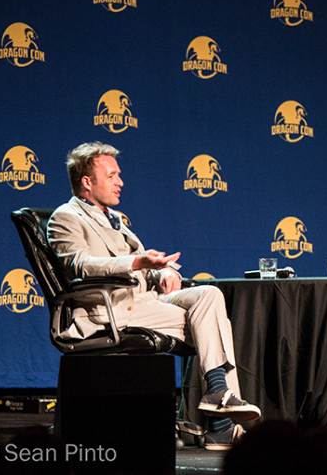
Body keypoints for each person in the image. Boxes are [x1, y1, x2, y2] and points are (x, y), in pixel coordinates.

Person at [47, 142, 259, 450]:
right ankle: (221, 422)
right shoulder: (65, 217)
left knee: (208, 296)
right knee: (211, 326)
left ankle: (218, 398)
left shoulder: (114, 218)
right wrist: (139, 262)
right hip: (111, 309)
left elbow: (144, 264)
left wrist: (163, 273)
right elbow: (81, 264)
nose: (120, 182)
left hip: (144, 302)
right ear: (87, 182)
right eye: (112, 176)